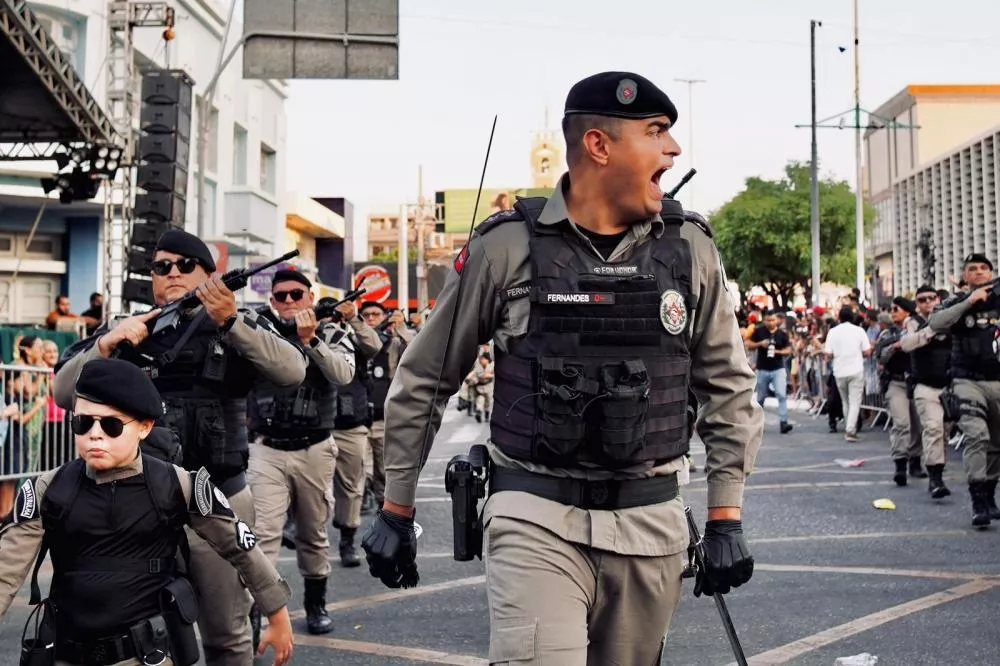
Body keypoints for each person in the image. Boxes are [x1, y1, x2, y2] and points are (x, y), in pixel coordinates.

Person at [362, 71, 763, 664]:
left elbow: (728, 387)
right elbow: (426, 378)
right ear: (599, 146)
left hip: (650, 522)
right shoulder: (505, 248)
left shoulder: (690, 249)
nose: (674, 149)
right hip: (534, 514)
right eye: (656, 132)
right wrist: (397, 509)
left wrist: (725, 516)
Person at [53, 229, 307, 666]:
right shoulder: (129, 328)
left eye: (185, 265)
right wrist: (105, 346)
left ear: (209, 274)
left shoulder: (237, 322)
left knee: (226, 633)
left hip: (219, 496)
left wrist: (230, 321)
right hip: (140, 507)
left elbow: (292, 371)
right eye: (161, 267)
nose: (172, 273)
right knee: (144, 634)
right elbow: (62, 393)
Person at [0, 358, 294, 666]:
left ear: (144, 427)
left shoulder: (176, 484)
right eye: (83, 423)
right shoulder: (49, 488)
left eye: (111, 425)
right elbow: (6, 569)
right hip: (66, 654)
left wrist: (277, 613)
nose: (94, 434)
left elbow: (240, 545)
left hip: (144, 656)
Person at [247, 269, 356, 635]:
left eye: (297, 294)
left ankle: (315, 603)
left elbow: (343, 374)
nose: (290, 301)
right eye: (281, 296)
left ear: (311, 297)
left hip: (314, 447)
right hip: (267, 448)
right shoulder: (261, 332)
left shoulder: (332, 332)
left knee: (312, 532)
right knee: (262, 534)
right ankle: (257, 614)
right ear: (272, 301)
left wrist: (311, 341)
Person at [929, 253, 1000, 526]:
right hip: (967, 380)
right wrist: (969, 301)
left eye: (984, 268)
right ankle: (978, 502)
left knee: (996, 443)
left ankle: (989, 495)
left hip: (997, 379)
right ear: (965, 276)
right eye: (973, 268)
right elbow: (936, 323)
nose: (979, 272)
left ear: (991, 273)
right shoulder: (956, 301)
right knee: (976, 436)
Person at [329, 296, 383, 566]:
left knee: (350, 488)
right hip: (313, 426)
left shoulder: (351, 340)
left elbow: (374, 345)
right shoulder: (305, 336)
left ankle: (347, 540)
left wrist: (353, 318)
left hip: (350, 424)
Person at [359, 301, 415, 512]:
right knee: (361, 465)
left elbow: (416, 352)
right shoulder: (353, 341)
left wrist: (401, 328)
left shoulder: (394, 344)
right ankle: (364, 495)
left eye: (376, 314)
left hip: (384, 417)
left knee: (383, 466)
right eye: (366, 315)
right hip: (359, 418)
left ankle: (382, 499)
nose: (371, 318)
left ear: (385, 317)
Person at [899, 285, 952, 498]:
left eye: (931, 298)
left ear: (938, 299)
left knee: (944, 433)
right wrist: (930, 330)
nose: (928, 302)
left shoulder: (949, 319)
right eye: (922, 300)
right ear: (917, 304)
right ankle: (935, 480)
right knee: (933, 429)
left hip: (949, 387)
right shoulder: (913, 323)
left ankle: (937, 471)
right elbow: (906, 344)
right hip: (925, 386)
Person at [876, 301, 925, 485]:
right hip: (896, 382)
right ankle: (900, 464)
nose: (892, 313)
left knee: (918, 425)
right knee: (901, 423)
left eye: (896, 309)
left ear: (907, 312)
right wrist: (895, 347)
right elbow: (881, 357)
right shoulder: (888, 334)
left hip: (917, 382)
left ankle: (915, 461)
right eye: (891, 310)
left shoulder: (920, 329)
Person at [824, 306, 872, 442]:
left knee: (845, 401)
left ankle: (849, 427)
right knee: (855, 402)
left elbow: (828, 354)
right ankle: (850, 430)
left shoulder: (832, 332)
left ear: (839, 317)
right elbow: (867, 351)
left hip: (839, 370)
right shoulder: (859, 331)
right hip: (856, 369)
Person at [746, 309, 794, 434]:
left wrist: (777, 352)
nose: (770, 323)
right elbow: (749, 344)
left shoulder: (782, 334)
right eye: (768, 320)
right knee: (761, 397)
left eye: (772, 320)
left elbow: (789, 350)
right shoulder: (759, 331)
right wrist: (760, 344)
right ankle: (757, 423)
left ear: (776, 320)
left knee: (781, 395)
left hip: (778, 368)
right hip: (763, 368)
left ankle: (784, 422)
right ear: (764, 320)